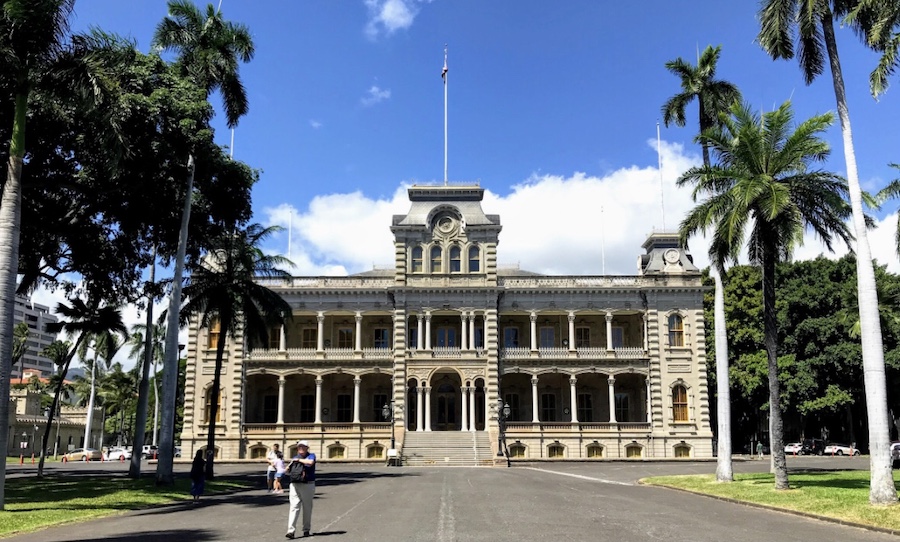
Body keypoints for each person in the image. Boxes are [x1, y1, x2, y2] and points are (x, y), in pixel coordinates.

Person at [286, 440, 316, 539]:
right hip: (295, 484)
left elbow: (310, 463)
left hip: (307, 484)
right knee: (294, 507)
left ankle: (306, 529)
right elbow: (287, 471)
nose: (301, 448)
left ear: (307, 448)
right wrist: (286, 469)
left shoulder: (311, 455)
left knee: (307, 508)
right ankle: (291, 531)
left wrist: (298, 461)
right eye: (299, 447)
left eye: (303, 447)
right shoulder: (294, 458)